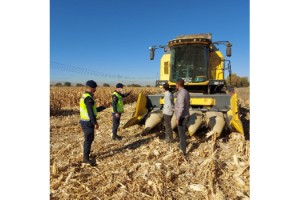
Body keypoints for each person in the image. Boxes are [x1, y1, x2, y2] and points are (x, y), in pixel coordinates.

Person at [79, 80, 105, 166]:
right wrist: (95, 123)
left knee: (90, 139)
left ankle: (87, 155)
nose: (95, 89)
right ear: (91, 88)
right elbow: (90, 112)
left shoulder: (86, 96)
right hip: (87, 122)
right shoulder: (88, 98)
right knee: (88, 140)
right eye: (95, 88)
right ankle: (86, 159)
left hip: (86, 122)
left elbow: (93, 110)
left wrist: (102, 107)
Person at [174, 79, 190, 157]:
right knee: (182, 133)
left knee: (181, 134)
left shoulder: (181, 94)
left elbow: (181, 107)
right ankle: (182, 146)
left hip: (182, 117)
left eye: (175, 85)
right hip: (186, 115)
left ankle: (183, 151)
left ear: (178, 85)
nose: (175, 86)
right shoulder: (186, 92)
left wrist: (177, 118)